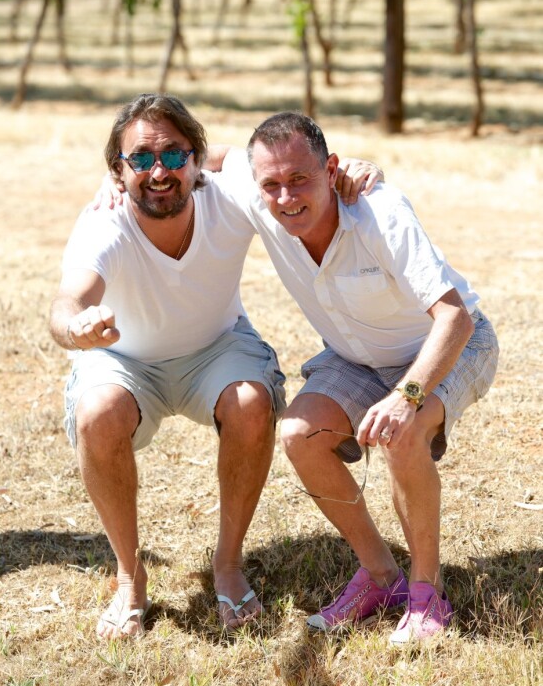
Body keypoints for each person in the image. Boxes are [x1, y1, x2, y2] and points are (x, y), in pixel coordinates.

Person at [49, 94, 380, 639]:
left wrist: (362, 169)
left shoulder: (228, 195)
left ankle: (227, 565)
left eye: (175, 156)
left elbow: (284, 173)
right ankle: (130, 576)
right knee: (97, 412)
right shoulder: (102, 223)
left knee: (251, 402)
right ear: (117, 170)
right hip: (127, 360)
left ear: (198, 160)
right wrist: (77, 328)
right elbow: (66, 303)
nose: (160, 172)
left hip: (218, 347)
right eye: (141, 159)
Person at [213, 111, 498, 646]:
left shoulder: (379, 212)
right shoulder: (261, 196)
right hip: (356, 358)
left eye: (300, 178)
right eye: (271, 184)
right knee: (300, 435)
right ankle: (381, 576)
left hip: (449, 346)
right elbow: (202, 154)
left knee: (403, 431)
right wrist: (119, 180)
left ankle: (426, 593)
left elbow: (454, 317)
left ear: (332, 169)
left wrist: (406, 398)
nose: (286, 196)